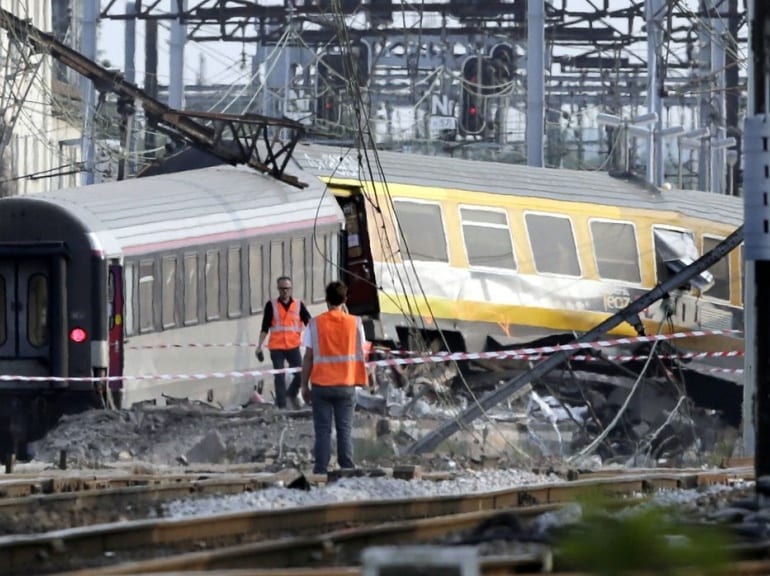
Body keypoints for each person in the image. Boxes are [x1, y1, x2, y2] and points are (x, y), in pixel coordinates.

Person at [300, 281, 367, 475]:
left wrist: (304, 386)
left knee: (323, 431)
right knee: (344, 430)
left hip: (321, 385)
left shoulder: (315, 324)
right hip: (346, 384)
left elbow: (308, 357)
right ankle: (346, 468)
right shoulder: (355, 323)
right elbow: (360, 349)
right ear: (345, 300)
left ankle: (320, 469)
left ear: (326, 299)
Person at [256, 276, 311, 409]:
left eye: (287, 288)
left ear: (291, 289)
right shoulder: (272, 305)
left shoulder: (298, 305)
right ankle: (282, 406)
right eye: (282, 289)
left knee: (300, 374)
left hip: (293, 346)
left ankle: (290, 394)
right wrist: (259, 347)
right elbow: (264, 328)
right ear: (278, 289)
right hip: (277, 348)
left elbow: (310, 323)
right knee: (279, 377)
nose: (284, 291)